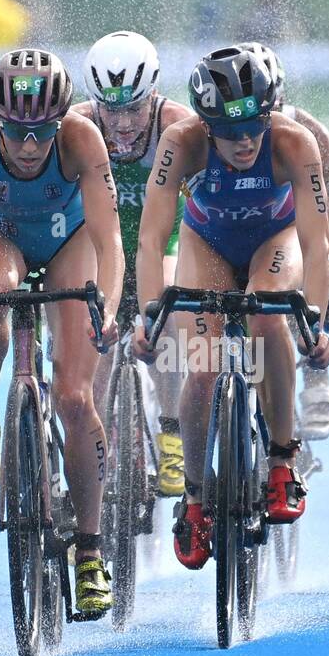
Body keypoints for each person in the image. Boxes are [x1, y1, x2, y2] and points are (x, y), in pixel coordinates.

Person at [132, 46, 329, 570]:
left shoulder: (295, 143)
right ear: (206, 124)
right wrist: (149, 313)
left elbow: (316, 244)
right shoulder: (180, 143)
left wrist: (311, 320)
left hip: (275, 239)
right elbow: (153, 239)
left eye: (254, 128)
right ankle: (196, 497)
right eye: (229, 131)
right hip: (208, 244)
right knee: (200, 369)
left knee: (270, 315)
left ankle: (283, 462)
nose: (245, 142)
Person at [0, 48, 123, 616]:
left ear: (62, 122)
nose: (30, 147)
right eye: (17, 132)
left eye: (43, 131)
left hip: (67, 244)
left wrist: (112, 303)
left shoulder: (82, 141)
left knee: (75, 398)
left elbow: (109, 240)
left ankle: (90, 550)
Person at [73, 30, 194, 497]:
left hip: (161, 247)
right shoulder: (78, 128)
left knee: (165, 312)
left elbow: (204, 215)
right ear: (93, 102)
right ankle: (94, 442)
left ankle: (171, 434)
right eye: (111, 109)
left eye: (135, 109)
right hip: (99, 251)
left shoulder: (178, 126)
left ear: (155, 96)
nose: (123, 124)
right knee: (92, 345)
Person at [237, 41, 329, 441]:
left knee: (320, 270)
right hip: (235, 233)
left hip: (289, 235)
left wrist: (326, 303)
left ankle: (316, 373)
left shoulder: (310, 134)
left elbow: (322, 227)